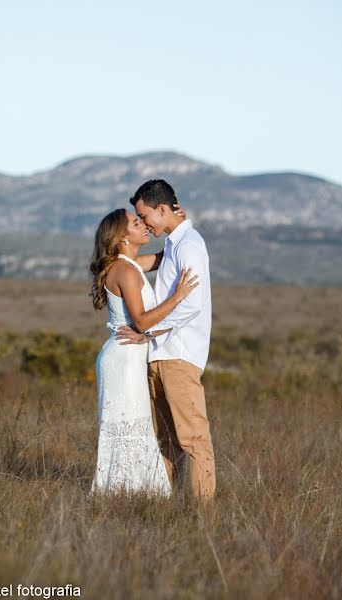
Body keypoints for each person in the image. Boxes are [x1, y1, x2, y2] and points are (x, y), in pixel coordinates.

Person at [88, 206, 200, 496]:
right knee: (128, 426)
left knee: (134, 425)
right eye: (136, 223)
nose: (144, 226)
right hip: (124, 357)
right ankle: (125, 494)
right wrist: (178, 297)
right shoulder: (124, 270)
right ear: (123, 237)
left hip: (129, 355)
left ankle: (131, 493)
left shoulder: (131, 264)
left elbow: (167, 257)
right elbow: (141, 321)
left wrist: (180, 223)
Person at [119, 179, 216, 501]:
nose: (144, 225)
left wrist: (150, 331)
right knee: (165, 439)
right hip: (160, 354)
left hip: (179, 355)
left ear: (162, 210)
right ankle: (168, 505)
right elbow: (148, 263)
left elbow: (193, 303)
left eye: (145, 216)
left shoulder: (188, 245)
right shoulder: (176, 243)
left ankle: (203, 517)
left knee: (193, 439)